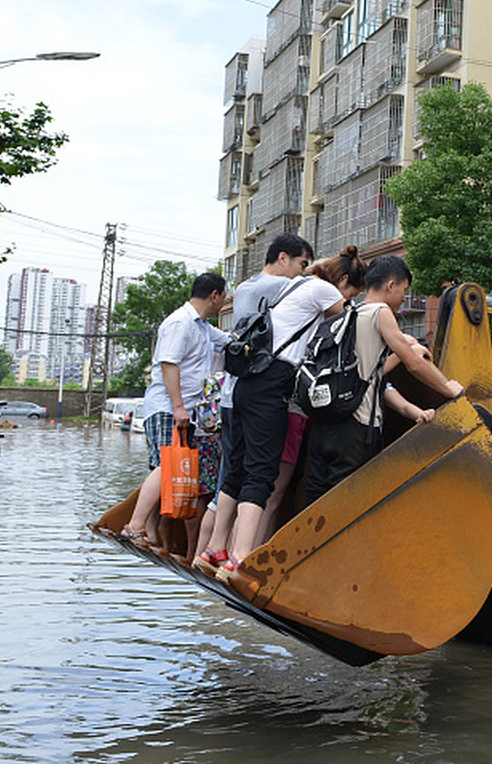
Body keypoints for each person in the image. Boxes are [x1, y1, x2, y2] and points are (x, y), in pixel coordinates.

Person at [299, 254, 466, 508]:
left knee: (316, 502)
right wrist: (447, 388)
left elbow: (368, 373)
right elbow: (415, 364)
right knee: (346, 507)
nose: (403, 297)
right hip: (355, 429)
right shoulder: (380, 312)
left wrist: (403, 354)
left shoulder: (348, 314)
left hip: (325, 424)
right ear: (391, 285)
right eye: (404, 290)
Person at [198, 234, 315, 570]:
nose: (302, 274)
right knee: (260, 474)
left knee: (232, 474)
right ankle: (240, 556)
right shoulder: (283, 289)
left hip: (233, 395)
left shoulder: (247, 286)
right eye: (301, 264)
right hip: (263, 390)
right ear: (283, 258)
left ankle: (213, 551)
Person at [120, 271, 228, 552]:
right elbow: (169, 364)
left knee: (165, 467)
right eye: (224, 296)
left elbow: (228, 341)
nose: (224, 302)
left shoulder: (202, 327)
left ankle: (150, 530)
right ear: (214, 295)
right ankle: (134, 525)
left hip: (182, 411)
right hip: (169, 407)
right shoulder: (180, 322)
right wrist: (178, 406)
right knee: (165, 466)